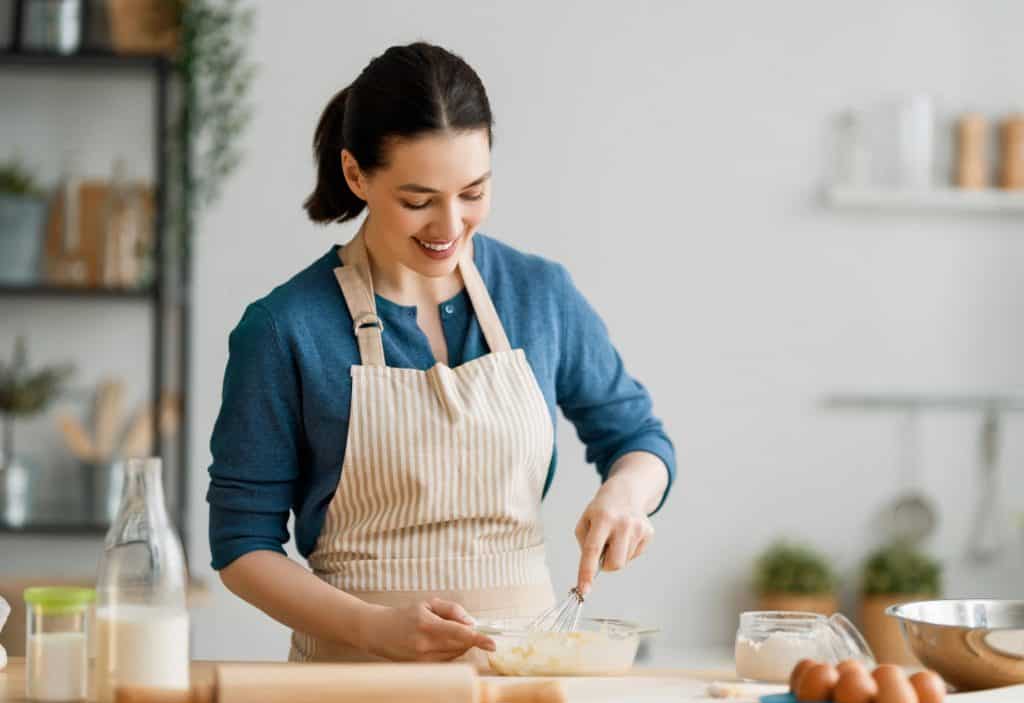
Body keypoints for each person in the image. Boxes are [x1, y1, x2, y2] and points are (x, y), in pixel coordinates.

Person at [207, 41, 675, 664]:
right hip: (352, 683)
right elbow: (243, 546)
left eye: (473, 192)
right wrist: (376, 629)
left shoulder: (540, 294)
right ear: (355, 175)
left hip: (520, 681)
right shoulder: (283, 328)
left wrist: (626, 494)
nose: (449, 226)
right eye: (418, 201)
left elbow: (639, 438)